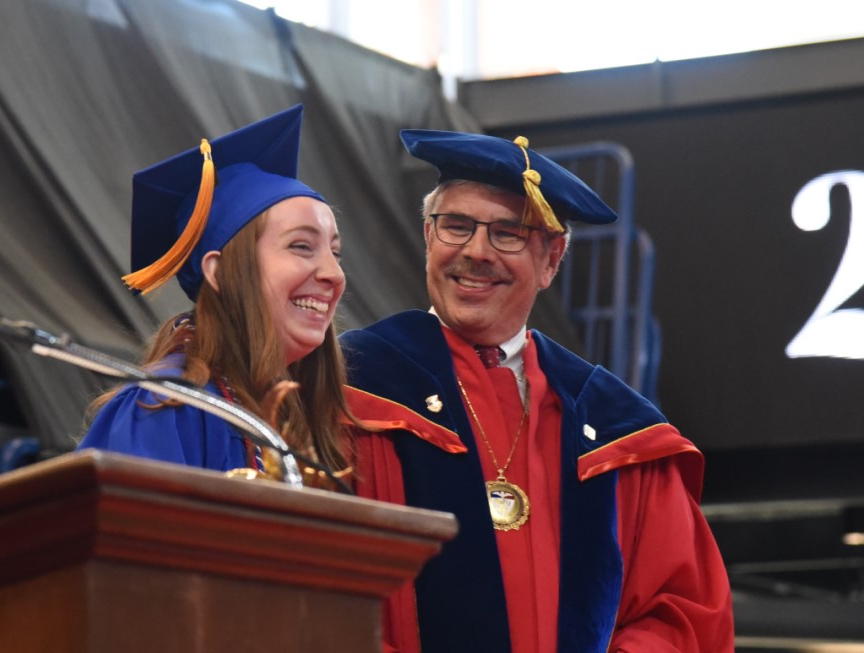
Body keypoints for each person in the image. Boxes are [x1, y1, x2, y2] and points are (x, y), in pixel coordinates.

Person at [340, 129, 734, 652]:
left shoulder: (616, 428)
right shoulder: (352, 388)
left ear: (552, 259)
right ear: (428, 237)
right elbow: (313, 593)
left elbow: (681, 610)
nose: (476, 252)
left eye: (508, 233)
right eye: (455, 226)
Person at [79, 105, 353, 486]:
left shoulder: (305, 416)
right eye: (302, 246)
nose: (334, 274)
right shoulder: (162, 408)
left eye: (335, 253)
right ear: (218, 271)